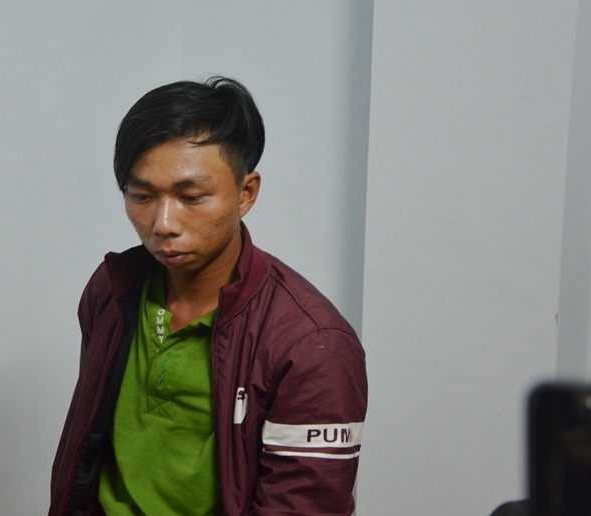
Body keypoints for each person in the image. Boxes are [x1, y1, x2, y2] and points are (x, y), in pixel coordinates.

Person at [49, 76, 367, 516]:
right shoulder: (113, 290)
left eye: (192, 197)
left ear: (246, 193)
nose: (163, 224)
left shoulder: (312, 343)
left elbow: (303, 506)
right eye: (141, 195)